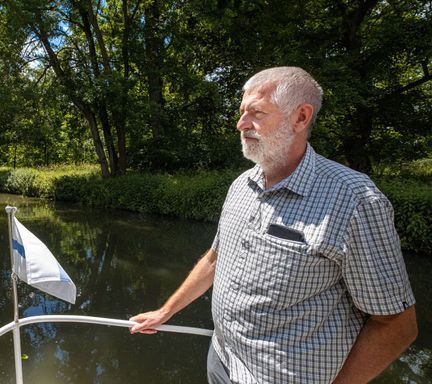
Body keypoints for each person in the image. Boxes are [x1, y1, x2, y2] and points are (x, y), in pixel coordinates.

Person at [129, 67, 418, 384]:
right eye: (241, 113)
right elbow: (215, 258)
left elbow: (396, 323)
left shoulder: (355, 201)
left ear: (300, 117)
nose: (241, 125)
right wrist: (166, 310)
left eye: (256, 113)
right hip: (222, 361)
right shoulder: (241, 185)